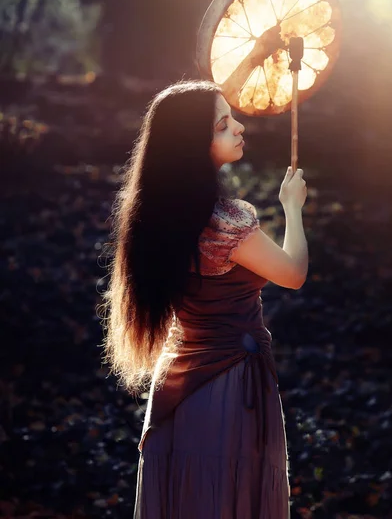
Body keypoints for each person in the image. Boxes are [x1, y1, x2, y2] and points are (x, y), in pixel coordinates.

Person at [99, 79, 308, 518]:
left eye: (232, 119)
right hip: (228, 388)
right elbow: (293, 273)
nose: (238, 129)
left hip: (177, 382)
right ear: (194, 143)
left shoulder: (155, 215)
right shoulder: (224, 223)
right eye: (222, 125)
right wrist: (292, 207)